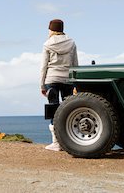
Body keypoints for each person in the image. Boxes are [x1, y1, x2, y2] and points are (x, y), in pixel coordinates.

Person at [40, 19, 78, 151]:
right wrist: (76, 84)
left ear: (51, 29)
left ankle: (56, 143)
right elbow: (75, 64)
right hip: (68, 79)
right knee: (69, 111)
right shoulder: (71, 43)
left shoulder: (47, 44)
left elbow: (43, 66)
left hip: (51, 79)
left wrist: (42, 85)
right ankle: (70, 140)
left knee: (53, 110)